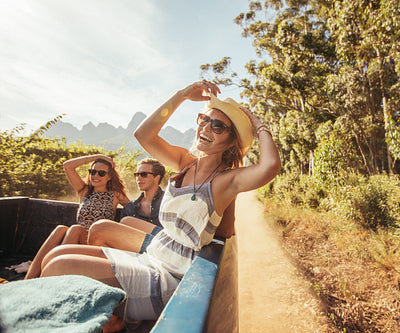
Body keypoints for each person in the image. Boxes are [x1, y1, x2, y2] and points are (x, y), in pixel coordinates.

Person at [39, 80, 281, 326]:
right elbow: (143, 135)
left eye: (217, 126)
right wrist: (182, 94)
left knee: (58, 267)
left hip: (171, 276)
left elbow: (270, 166)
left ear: (231, 141)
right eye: (203, 120)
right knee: (56, 256)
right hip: (153, 255)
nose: (206, 128)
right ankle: (109, 318)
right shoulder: (185, 162)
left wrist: (259, 126)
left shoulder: (225, 180)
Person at [24, 154, 130, 279]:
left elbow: (133, 209)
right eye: (93, 171)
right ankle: (29, 279)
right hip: (76, 240)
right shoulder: (84, 191)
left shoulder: (116, 195)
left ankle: (50, 276)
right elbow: (67, 166)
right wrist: (98, 156)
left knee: (75, 228)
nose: (95, 176)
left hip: (96, 242)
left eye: (101, 173)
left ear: (109, 176)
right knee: (61, 229)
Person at [88, 158, 166, 253]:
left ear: (157, 177)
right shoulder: (130, 207)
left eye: (143, 174)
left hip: (165, 247)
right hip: (138, 252)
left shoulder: (169, 202)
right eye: (137, 175)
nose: (139, 178)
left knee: (126, 221)